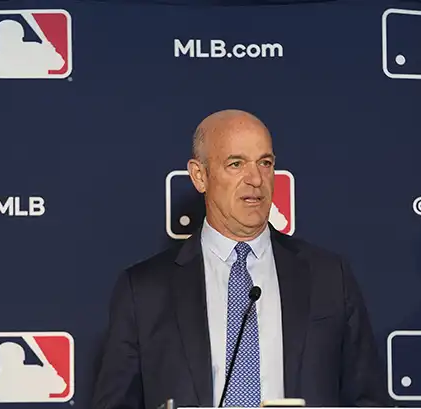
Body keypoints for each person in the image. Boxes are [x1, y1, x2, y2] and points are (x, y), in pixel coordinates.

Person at [92, 109, 389, 409]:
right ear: (199, 176)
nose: (256, 179)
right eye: (236, 164)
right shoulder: (144, 291)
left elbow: (368, 400)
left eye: (265, 163)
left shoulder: (330, 277)